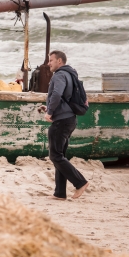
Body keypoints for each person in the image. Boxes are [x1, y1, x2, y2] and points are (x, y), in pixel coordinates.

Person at [41, 50, 89, 200]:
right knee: (60, 156)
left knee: (55, 156)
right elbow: (63, 97)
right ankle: (60, 193)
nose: (48, 63)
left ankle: (80, 182)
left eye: (51, 60)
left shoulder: (60, 75)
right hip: (69, 119)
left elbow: (57, 94)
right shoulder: (70, 74)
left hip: (62, 121)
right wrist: (49, 108)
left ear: (59, 61)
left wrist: (50, 112)